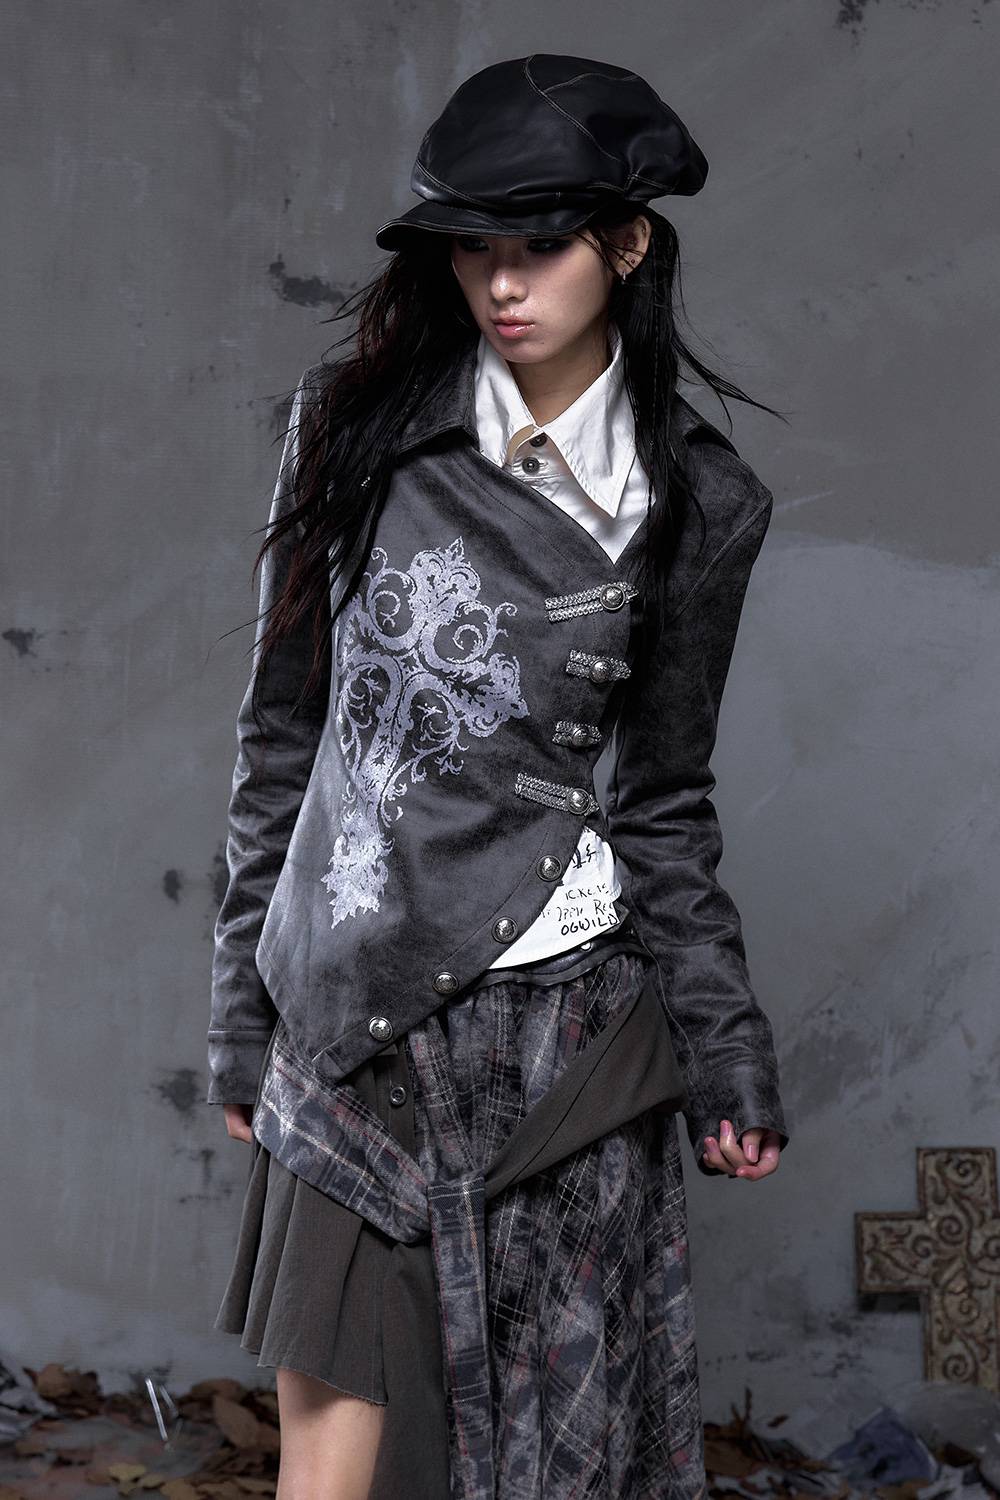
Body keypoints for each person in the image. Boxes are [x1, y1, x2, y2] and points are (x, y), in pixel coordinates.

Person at [206, 53, 790, 1500]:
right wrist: (241, 1008)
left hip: (570, 1036)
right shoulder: (353, 428)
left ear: (628, 244)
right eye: (474, 248)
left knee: (558, 1463)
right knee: (332, 1451)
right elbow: (283, 734)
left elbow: (663, 799)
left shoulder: (699, 499)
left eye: (539, 245)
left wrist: (724, 1045)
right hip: (357, 1006)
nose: (502, 285)